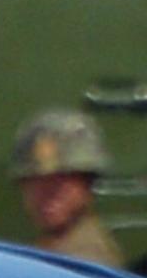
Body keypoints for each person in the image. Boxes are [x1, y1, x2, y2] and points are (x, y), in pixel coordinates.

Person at [9, 108, 124, 268]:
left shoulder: (84, 260)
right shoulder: (57, 246)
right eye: (35, 181)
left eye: (60, 181)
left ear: (87, 185)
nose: (46, 193)